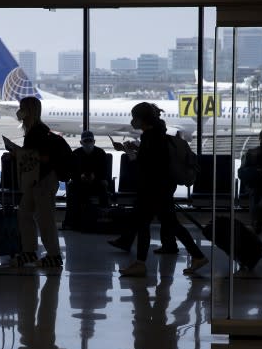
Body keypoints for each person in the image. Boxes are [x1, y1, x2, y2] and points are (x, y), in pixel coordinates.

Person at [118, 102, 209, 277]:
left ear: (142, 119)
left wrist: (130, 154)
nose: (132, 121)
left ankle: (140, 263)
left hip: (153, 188)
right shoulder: (158, 133)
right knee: (170, 224)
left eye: (134, 117)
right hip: (162, 187)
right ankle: (197, 256)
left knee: (144, 224)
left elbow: (147, 164)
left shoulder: (150, 137)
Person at [5, 96, 64, 268]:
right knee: (25, 214)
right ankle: (29, 251)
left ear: (30, 110)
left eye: (22, 107)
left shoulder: (38, 132)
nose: (19, 111)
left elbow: (44, 157)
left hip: (43, 180)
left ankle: (53, 255)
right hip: (37, 179)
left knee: (44, 218)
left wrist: (18, 154)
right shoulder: (34, 130)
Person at [63, 130, 110, 230]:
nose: (88, 143)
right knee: (73, 189)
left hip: (95, 183)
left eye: (90, 141)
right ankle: (72, 221)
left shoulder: (100, 153)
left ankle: (104, 219)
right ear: (81, 142)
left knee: (103, 188)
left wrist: (95, 177)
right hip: (81, 183)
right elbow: (71, 172)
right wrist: (80, 177)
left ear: (94, 141)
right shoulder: (76, 154)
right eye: (86, 141)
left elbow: (105, 171)